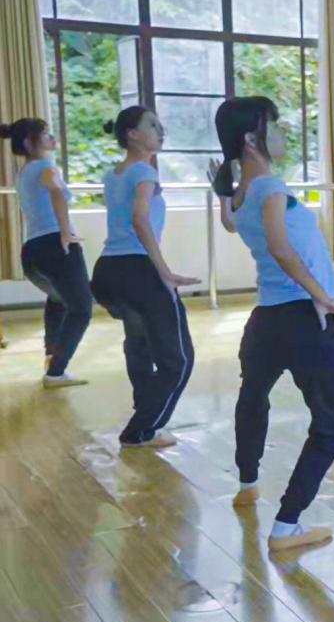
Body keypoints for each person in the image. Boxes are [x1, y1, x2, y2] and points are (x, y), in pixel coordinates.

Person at [211, 96, 334, 553]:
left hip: (266, 322)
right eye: (274, 125)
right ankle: (287, 526)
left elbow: (232, 223)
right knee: (328, 425)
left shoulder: (242, 193)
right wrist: (320, 295)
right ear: (251, 138)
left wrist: (221, 194)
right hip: (305, 318)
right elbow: (279, 247)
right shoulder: (270, 187)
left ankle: (247, 483)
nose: (283, 133)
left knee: (253, 398)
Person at [90, 107, 198, 449]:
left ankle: (144, 410)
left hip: (107, 272)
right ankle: (142, 429)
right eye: (151, 125)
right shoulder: (144, 172)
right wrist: (164, 271)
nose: (160, 130)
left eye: (160, 124)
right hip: (138, 271)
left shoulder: (114, 174)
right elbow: (140, 219)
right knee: (178, 360)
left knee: (138, 343)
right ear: (132, 134)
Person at [0, 118, 92, 387]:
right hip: (55, 246)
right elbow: (56, 191)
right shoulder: (46, 167)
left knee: (58, 299)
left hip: (32, 251)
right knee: (82, 309)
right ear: (29, 143)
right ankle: (55, 372)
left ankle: (52, 358)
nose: (51, 137)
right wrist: (65, 232)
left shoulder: (25, 172)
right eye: (44, 134)